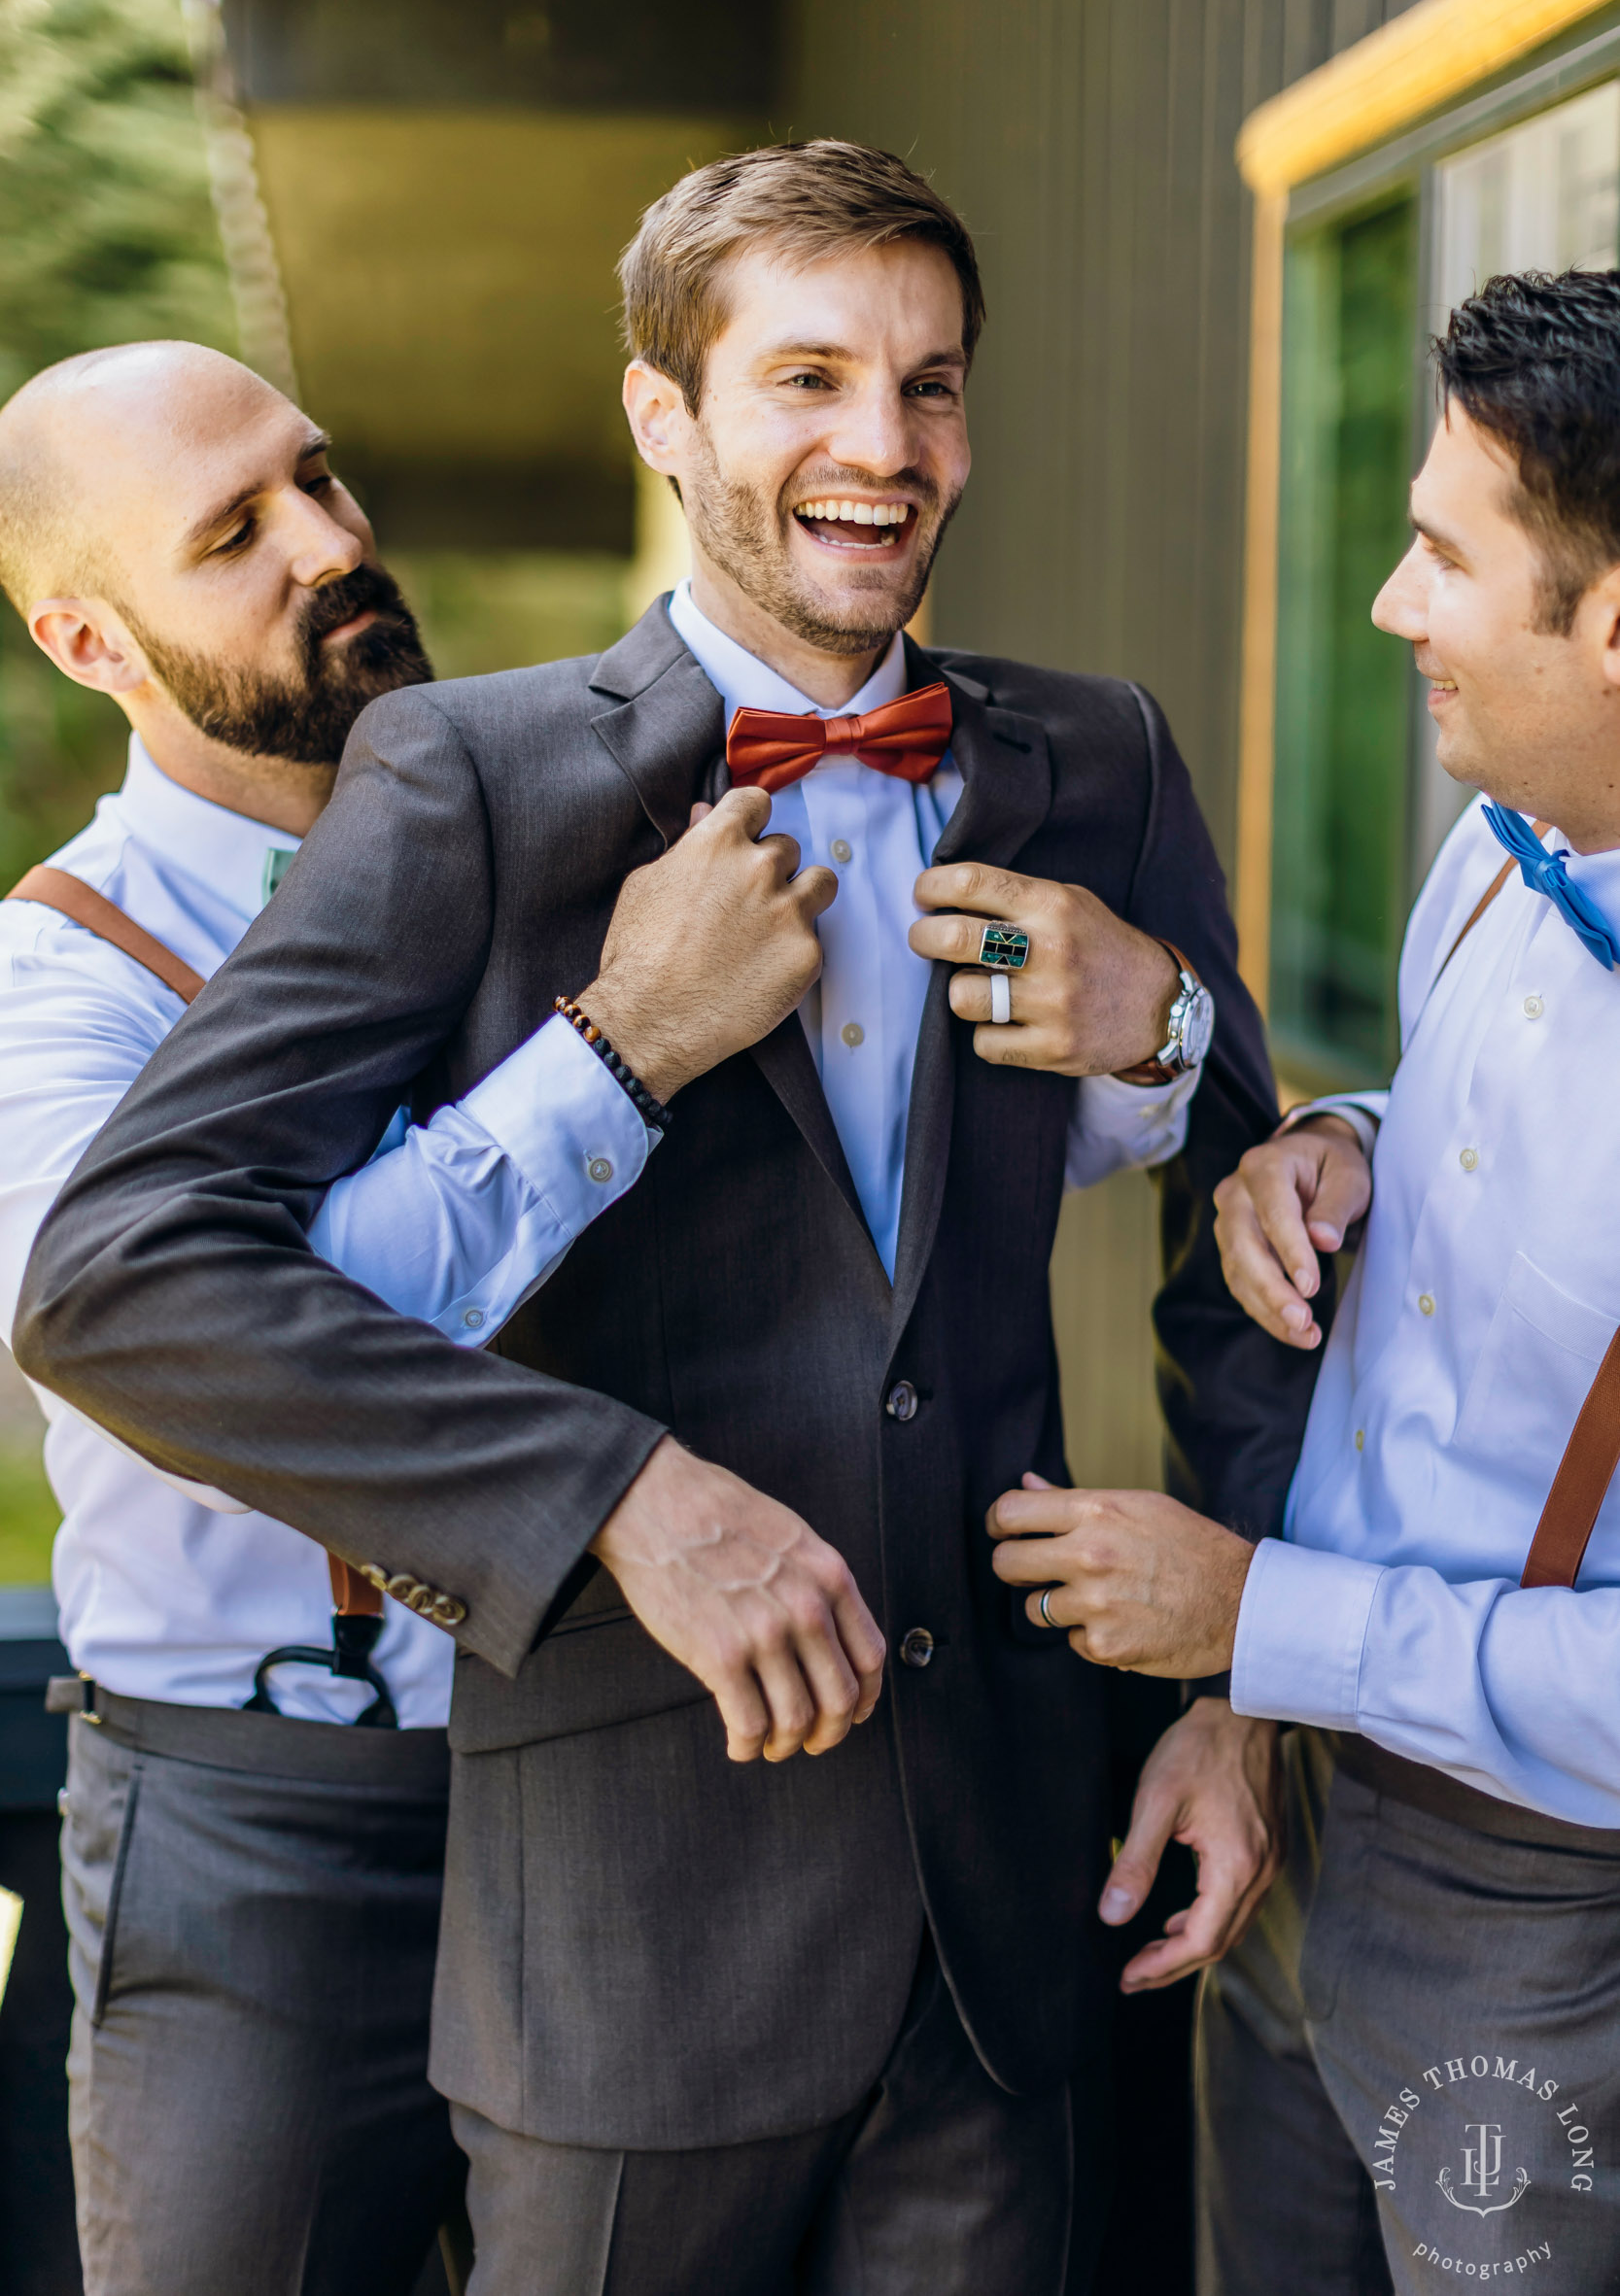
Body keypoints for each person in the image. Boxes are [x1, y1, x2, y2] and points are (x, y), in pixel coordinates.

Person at [16, 145, 1317, 2296]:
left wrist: (1241, 1676)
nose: (880, 449)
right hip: (622, 1914)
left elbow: (1256, 1212)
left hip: (1021, 1887)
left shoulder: (1105, 755)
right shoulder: (469, 780)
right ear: (664, 417)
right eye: (806, 377)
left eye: (930, 385)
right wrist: (615, 1457)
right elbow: (131, 1274)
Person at [0, 340, 833, 2296]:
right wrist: (618, 1049)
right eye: (233, 534)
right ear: (85, 635)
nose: (327, 542)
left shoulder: (582, 834)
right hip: (259, 1825)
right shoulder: (60, 976)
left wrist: (1174, 1043)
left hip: (618, 1773)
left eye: (322, 477)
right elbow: (172, 1357)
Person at [985, 269, 1620, 2294]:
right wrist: (1344, 1136)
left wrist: (1263, 1614)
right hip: (1292, 1818)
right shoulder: (1507, 836)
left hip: (1540, 1909)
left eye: (1445, 554)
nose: (1388, 605)